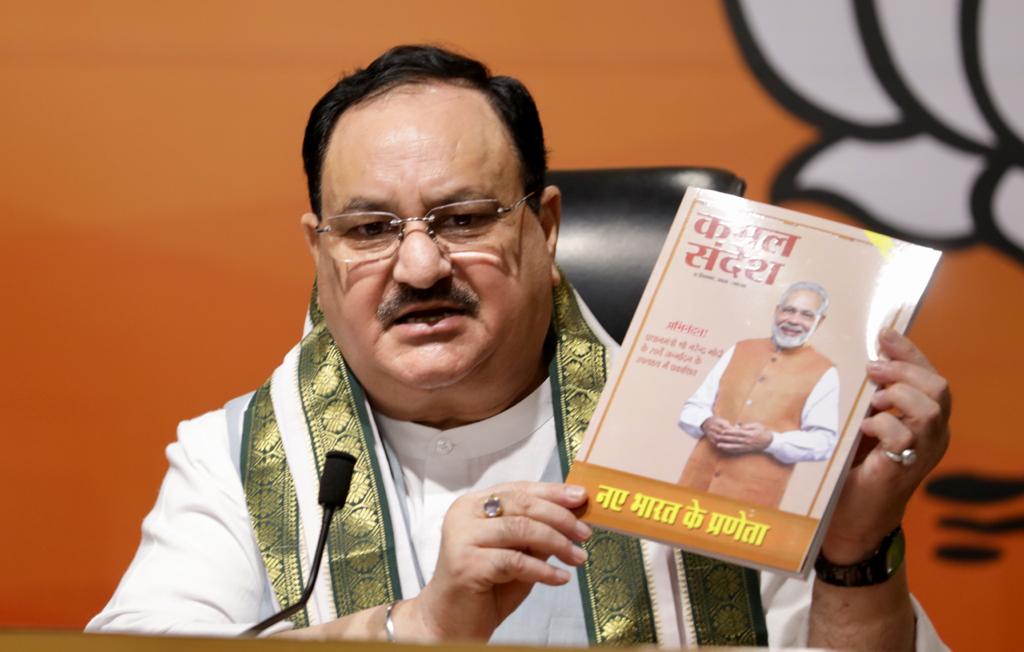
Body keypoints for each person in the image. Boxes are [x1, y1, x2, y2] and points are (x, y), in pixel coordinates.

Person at [87, 45, 950, 650]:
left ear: (544, 227)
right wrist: (417, 628)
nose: (419, 265)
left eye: (463, 219)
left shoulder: (701, 426)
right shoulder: (236, 457)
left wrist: (854, 554)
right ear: (320, 249)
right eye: (371, 228)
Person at [678, 282, 838, 508]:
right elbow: (692, 408)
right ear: (777, 311)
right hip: (692, 486)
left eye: (806, 315)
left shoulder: (825, 371)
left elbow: (824, 442)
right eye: (789, 310)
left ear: (819, 322)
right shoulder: (740, 349)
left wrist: (771, 441)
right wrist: (705, 422)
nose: (793, 320)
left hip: (749, 508)